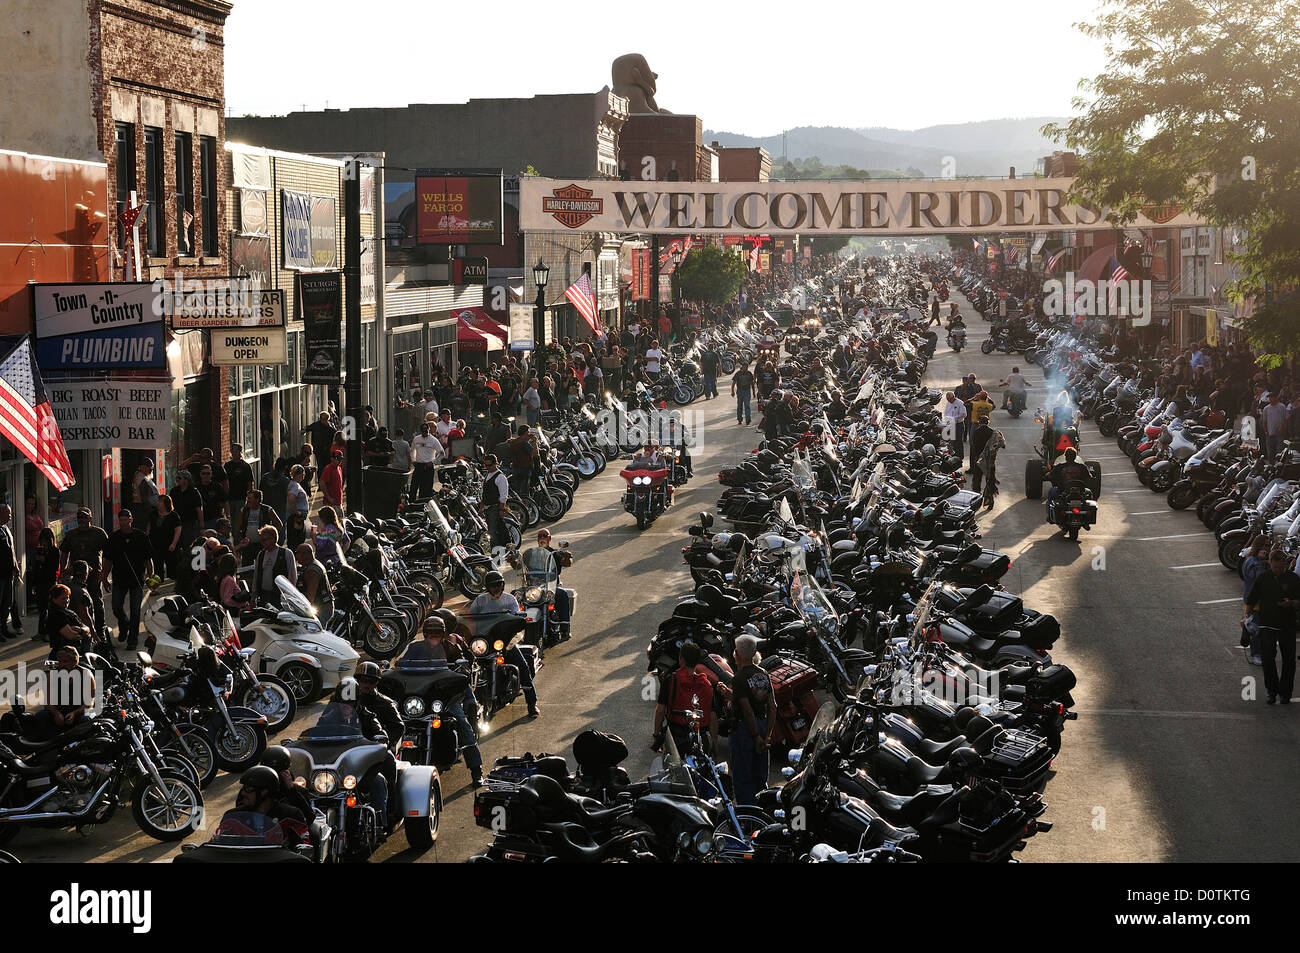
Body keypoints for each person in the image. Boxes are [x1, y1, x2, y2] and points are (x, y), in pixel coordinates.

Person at [395, 616, 484, 785]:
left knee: (462, 723)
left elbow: (465, 666)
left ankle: (476, 769)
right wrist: (397, 666)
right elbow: (400, 663)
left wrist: (462, 668)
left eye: (437, 634)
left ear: (443, 634)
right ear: (425, 634)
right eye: (430, 634)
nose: (433, 637)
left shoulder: (451, 647)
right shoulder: (414, 648)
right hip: (420, 697)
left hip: (443, 697)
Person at [467, 572, 539, 718]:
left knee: (523, 667)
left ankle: (532, 703)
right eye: (493, 585)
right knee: (465, 666)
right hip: (485, 643)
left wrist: (520, 618)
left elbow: (517, 617)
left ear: (503, 585)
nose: (496, 588)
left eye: (499, 584)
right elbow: (469, 618)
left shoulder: (509, 599)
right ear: (487, 587)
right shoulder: (480, 601)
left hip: (505, 642)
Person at [1245, 548, 1300, 704]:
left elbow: (1299, 600)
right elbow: (1252, 598)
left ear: (1285, 564)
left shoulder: (1293, 578)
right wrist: (1246, 616)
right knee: (1268, 658)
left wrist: (1292, 603)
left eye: (1281, 567)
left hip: (1287, 624)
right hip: (1267, 624)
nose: (1278, 570)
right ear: (1270, 564)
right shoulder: (1263, 578)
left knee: (1289, 660)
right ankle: (1272, 690)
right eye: (1276, 567)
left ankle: (1285, 693)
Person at [728, 633, 772, 806]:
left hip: (745, 731)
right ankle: (763, 815)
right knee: (760, 777)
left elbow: (747, 711)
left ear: (738, 654)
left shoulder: (738, 679)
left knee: (743, 778)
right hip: (762, 725)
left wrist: (755, 737)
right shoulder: (764, 675)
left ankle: (748, 820)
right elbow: (772, 707)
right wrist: (767, 735)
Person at [652, 641, 717, 754]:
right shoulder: (707, 684)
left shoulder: (671, 680)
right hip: (700, 738)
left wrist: (656, 735)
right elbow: (712, 716)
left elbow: (660, 710)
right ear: (697, 661)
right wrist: (714, 745)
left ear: (681, 659)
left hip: (676, 739)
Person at [102, 508, 153, 650]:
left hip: (137, 579)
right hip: (119, 579)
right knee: (116, 607)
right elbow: (108, 561)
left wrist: (150, 577)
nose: (123, 523)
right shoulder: (114, 538)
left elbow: (148, 559)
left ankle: (133, 640)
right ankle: (124, 624)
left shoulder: (141, 536)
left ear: (131, 520)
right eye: (121, 520)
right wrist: (104, 578)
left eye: (126, 520)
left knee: (135, 610)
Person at [58, 507, 108, 637]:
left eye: (85, 517)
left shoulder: (99, 533)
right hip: (77, 577)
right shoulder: (71, 534)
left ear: (90, 518)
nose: (82, 520)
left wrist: (105, 574)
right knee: (77, 604)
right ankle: (81, 629)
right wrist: (62, 572)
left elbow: (109, 555)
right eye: (79, 517)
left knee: (96, 602)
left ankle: (100, 629)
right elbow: (64, 553)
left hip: (94, 575)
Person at [523, 528, 572, 640]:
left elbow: (567, 563)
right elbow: (519, 565)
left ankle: (565, 628)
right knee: (515, 594)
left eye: (545, 536)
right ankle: (515, 628)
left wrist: (567, 557)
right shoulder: (531, 555)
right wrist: (514, 560)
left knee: (562, 594)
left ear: (549, 538)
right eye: (540, 536)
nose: (542, 538)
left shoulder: (556, 553)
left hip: (551, 586)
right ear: (537, 539)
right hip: (534, 588)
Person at [234, 489, 284, 570]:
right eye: (247, 498)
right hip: (248, 546)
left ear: (258, 499)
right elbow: (238, 527)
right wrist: (241, 540)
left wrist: (270, 539)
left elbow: (279, 525)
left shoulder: (267, 510)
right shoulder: (244, 510)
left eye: (250, 498)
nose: (248, 500)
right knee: (247, 569)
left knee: (263, 567)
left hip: (262, 545)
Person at [251, 526, 297, 609]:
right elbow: (256, 575)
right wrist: (253, 597)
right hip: (264, 596)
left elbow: (292, 576)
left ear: (274, 538)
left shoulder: (286, 553)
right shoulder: (261, 554)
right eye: (261, 540)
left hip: (280, 597)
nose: (262, 542)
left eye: (264, 540)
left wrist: (289, 596)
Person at [1241, 535, 1270, 666]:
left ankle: (1262, 652)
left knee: (1263, 629)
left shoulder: (1261, 561)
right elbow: (1256, 579)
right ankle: (1255, 654)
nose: (1267, 549)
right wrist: (1261, 562)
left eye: (1268, 546)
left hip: (1263, 602)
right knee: (1256, 630)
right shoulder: (1252, 562)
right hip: (1254, 603)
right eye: (1264, 546)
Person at [44, 586, 93, 662]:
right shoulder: (55, 615)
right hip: (64, 657)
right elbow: (72, 636)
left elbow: (87, 628)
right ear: (54, 599)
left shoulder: (69, 612)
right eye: (63, 598)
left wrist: (80, 630)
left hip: (77, 653)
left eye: (68, 598)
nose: (67, 600)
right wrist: (83, 632)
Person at [28, 527, 59, 641]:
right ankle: (41, 631)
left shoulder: (54, 551)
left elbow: (54, 567)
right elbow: (36, 569)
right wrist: (34, 584)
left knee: (50, 608)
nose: (44, 543)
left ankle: (49, 632)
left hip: (49, 582)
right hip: (40, 583)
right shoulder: (40, 550)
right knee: (42, 609)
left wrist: (44, 560)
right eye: (42, 540)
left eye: (46, 540)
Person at [1045, 447, 1090, 514]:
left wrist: (1047, 475)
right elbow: (1089, 476)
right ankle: (1087, 513)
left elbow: (1050, 475)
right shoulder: (1082, 467)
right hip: (1080, 491)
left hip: (1062, 492)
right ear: (1075, 456)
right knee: (1089, 493)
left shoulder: (1059, 467)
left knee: (1050, 492)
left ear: (1065, 457)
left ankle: (1049, 515)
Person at [480, 454, 512, 548]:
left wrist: (501, 510)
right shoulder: (488, 475)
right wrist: (481, 507)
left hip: (495, 507)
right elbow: (484, 493)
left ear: (496, 464)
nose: (488, 467)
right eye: (486, 465)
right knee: (491, 531)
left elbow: (503, 496)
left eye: (490, 465)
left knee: (493, 533)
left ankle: (496, 554)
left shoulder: (501, 477)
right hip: (488, 508)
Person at [296, 542, 333, 622]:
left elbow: (310, 598)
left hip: (321, 608)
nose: (296, 556)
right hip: (321, 605)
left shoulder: (312, 571)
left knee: (314, 632)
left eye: (297, 553)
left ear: (304, 554)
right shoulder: (310, 565)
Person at [0, 504, 19, 643]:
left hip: (9, 572)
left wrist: (15, 565)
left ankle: (4, 628)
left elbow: (11, 549)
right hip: (0, 573)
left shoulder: (6, 528)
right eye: (8, 513)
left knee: (8, 601)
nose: (10, 516)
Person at [311, 505, 349, 570]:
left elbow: (319, 546)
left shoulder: (326, 530)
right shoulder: (338, 528)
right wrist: (341, 554)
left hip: (326, 562)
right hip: (337, 560)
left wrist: (313, 536)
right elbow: (347, 541)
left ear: (323, 518)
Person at [172, 470, 205, 546]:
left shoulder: (194, 492)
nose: (177, 479)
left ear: (186, 480)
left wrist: (202, 527)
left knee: (188, 545)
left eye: (179, 478)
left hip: (189, 524)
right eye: (177, 478)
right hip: (176, 523)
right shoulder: (174, 491)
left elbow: (199, 509)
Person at [410, 423, 443, 499]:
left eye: (426, 431)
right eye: (423, 431)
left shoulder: (434, 440)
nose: (425, 433)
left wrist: (433, 462)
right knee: (414, 486)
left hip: (428, 466)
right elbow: (412, 451)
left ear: (429, 430)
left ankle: (424, 504)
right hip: (418, 465)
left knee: (426, 489)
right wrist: (413, 460)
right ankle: (411, 503)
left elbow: (441, 453)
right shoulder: (416, 439)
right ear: (420, 431)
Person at [304, 413, 336, 481]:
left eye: (326, 419)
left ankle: (327, 481)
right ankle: (321, 482)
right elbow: (308, 428)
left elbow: (335, 433)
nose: (325, 421)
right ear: (320, 419)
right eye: (323, 419)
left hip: (328, 450)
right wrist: (304, 430)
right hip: (319, 450)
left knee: (327, 466)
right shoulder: (316, 425)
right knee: (321, 466)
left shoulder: (330, 426)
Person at [506, 425, 538, 493]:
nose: (529, 434)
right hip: (525, 469)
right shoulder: (524, 443)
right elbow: (535, 454)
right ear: (526, 432)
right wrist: (535, 442)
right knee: (525, 491)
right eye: (528, 432)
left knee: (517, 489)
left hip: (516, 468)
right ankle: (525, 502)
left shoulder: (514, 442)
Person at [196, 464, 229, 530]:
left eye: (208, 473)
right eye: (203, 473)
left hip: (215, 519)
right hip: (199, 520)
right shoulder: (196, 488)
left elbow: (225, 502)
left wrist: (228, 517)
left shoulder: (217, 486)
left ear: (211, 474)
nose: (206, 475)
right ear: (200, 474)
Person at [130, 459, 160, 530]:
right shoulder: (142, 479)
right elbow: (144, 497)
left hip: (143, 509)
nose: (151, 469)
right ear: (143, 467)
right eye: (149, 467)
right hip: (144, 510)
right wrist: (150, 511)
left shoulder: (143, 477)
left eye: (152, 467)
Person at [969, 416, 995, 494]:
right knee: (990, 478)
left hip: (979, 457)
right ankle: (989, 495)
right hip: (989, 458)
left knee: (977, 477)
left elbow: (973, 445)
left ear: (979, 422)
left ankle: (976, 493)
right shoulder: (992, 432)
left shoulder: (976, 432)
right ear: (988, 422)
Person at [1262, 391, 1290, 460]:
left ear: (1276, 398)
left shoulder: (1282, 407)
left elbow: (1286, 419)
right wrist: (1266, 431)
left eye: (1272, 397)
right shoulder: (1266, 409)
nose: (1270, 399)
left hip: (1279, 433)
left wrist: (1283, 429)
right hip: (1270, 433)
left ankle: (1278, 466)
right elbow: (1264, 421)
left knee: (1279, 452)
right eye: (1269, 398)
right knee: (1270, 452)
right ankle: (1271, 466)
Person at [943, 391, 968, 461]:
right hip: (950, 424)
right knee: (950, 440)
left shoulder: (960, 403)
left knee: (958, 441)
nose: (949, 401)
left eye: (950, 399)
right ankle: (952, 455)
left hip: (958, 424)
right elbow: (946, 413)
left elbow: (964, 414)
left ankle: (960, 456)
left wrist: (954, 418)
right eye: (947, 399)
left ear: (953, 397)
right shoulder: (948, 403)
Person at [731, 361, 755, 426]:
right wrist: (732, 391)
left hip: (747, 391)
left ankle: (748, 418)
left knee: (747, 405)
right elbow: (733, 383)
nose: (745, 368)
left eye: (746, 367)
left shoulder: (749, 373)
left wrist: (754, 392)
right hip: (740, 391)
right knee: (740, 405)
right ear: (742, 367)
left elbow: (752, 383)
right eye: (744, 367)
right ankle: (739, 419)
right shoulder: (738, 374)